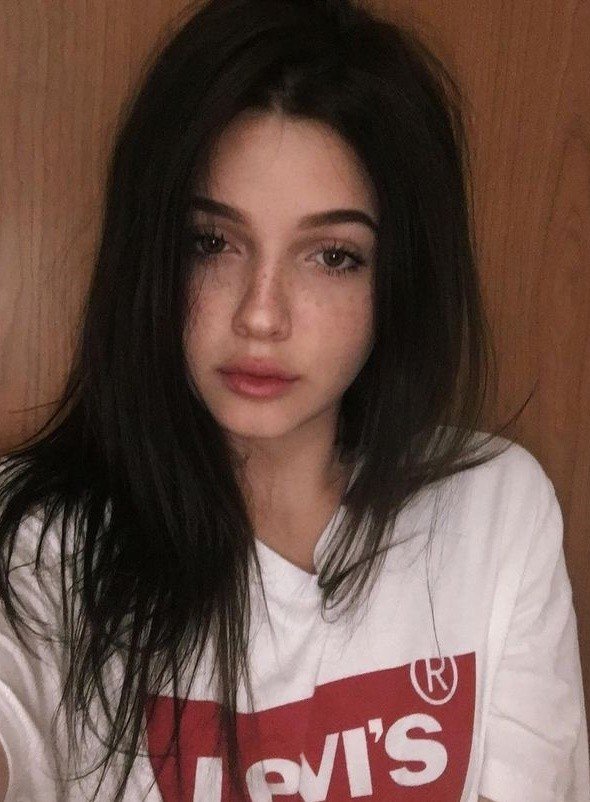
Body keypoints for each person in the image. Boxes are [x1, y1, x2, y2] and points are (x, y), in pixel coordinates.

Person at [0, 0, 588, 799]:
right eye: (211, 242)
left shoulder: (493, 512)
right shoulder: (40, 545)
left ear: (397, 279)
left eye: (333, 256)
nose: (261, 314)